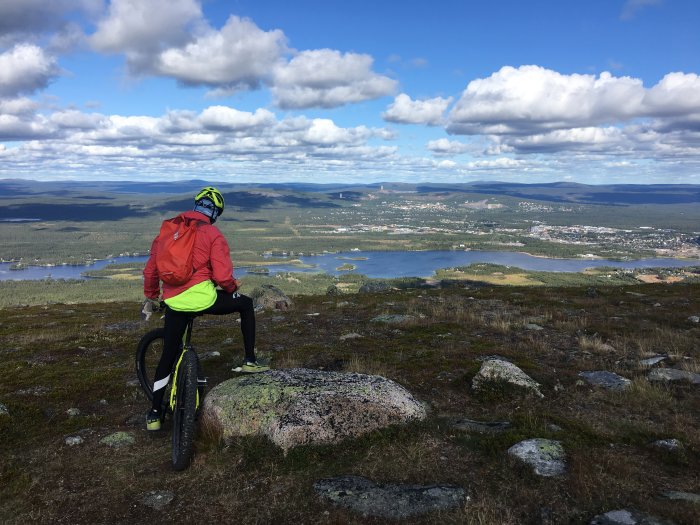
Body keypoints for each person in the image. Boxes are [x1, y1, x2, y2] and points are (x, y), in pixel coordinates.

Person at [142, 186, 268, 431]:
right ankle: (250, 360)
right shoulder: (213, 234)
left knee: (168, 354)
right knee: (245, 304)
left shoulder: (167, 232)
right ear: (215, 213)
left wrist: (152, 297)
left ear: (196, 205)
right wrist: (232, 287)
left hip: (174, 302)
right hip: (204, 300)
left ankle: (155, 414)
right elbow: (222, 275)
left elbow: (151, 271)